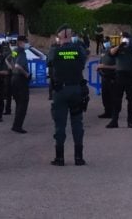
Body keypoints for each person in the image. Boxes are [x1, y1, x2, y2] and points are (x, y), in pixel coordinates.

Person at [47, 24, 88, 166]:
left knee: (60, 125)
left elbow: (50, 64)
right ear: (70, 36)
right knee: (77, 123)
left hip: (61, 91)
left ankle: (60, 158)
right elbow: (83, 63)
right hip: (76, 89)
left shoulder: (54, 51)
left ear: (59, 36)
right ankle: (78, 157)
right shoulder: (79, 49)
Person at [106, 32, 132, 129]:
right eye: (123, 37)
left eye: (126, 38)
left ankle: (130, 121)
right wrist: (119, 46)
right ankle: (114, 120)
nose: (124, 39)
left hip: (130, 76)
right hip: (119, 76)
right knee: (116, 99)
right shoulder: (117, 48)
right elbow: (110, 54)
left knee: (131, 100)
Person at [10, 35, 31, 134]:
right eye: (25, 42)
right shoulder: (21, 52)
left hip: (14, 78)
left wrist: (12, 68)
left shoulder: (14, 51)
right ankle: (17, 126)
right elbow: (18, 65)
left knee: (18, 103)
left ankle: (15, 125)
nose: (26, 44)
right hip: (21, 80)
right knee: (23, 103)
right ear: (20, 42)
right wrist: (26, 74)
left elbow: (8, 60)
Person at [96, 37, 115, 119]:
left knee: (112, 95)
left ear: (110, 42)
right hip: (104, 76)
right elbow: (101, 62)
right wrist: (99, 68)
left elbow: (117, 66)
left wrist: (105, 66)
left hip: (112, 76)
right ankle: (107, 112)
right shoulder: (103, 52)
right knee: (105, 95)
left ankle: (113, 112)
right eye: (104, 42)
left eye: (107, 42)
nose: (105, 43)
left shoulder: (114, 51)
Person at [2, 41, 14, 115]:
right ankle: (7, 109)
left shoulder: (5, 53)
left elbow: (10, 66)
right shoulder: (11, 52)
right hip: (9, 75)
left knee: (7, 94)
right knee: (8, 94)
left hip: (7, 75)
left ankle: (7, 109)